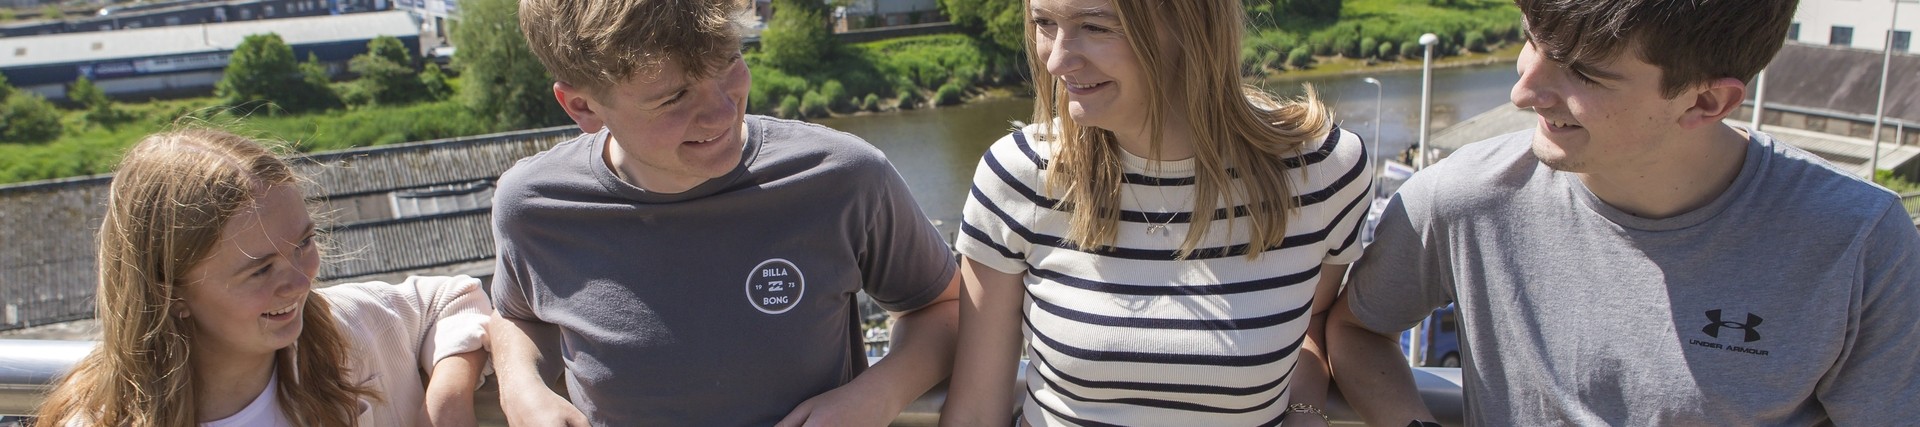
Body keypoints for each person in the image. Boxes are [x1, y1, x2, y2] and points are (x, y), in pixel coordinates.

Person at [1327, 0, 1920, 425]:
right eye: (1533, 39)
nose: (1524, 90)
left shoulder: (1861, 238)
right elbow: (1354, 329)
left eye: (1582, 71)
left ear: (1707, 100)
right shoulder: (1463, 197)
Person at [487, 0, 962, 425]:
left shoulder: (844, 177)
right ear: (581, 106)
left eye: (728, 62)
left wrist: (878, 394)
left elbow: (945, 307)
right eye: (673, 97)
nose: (721, 115)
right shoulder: (533, 207)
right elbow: (518, 317)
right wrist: (520, 386)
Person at [940, 1, 1372, 425]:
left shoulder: (1323, 172)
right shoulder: (1020, 175)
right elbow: (976, 410)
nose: (1056, 61)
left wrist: (1306, 411)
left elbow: (1313, 319)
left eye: (1096, 27)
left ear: (1190, 22)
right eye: (1044, 23)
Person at [33, 128, 493, 427]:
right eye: (259, 270)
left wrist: (448, 405)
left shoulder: (344, 334)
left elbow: (449, 299)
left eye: (304, 243)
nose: (299, 282)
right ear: (168, 289)